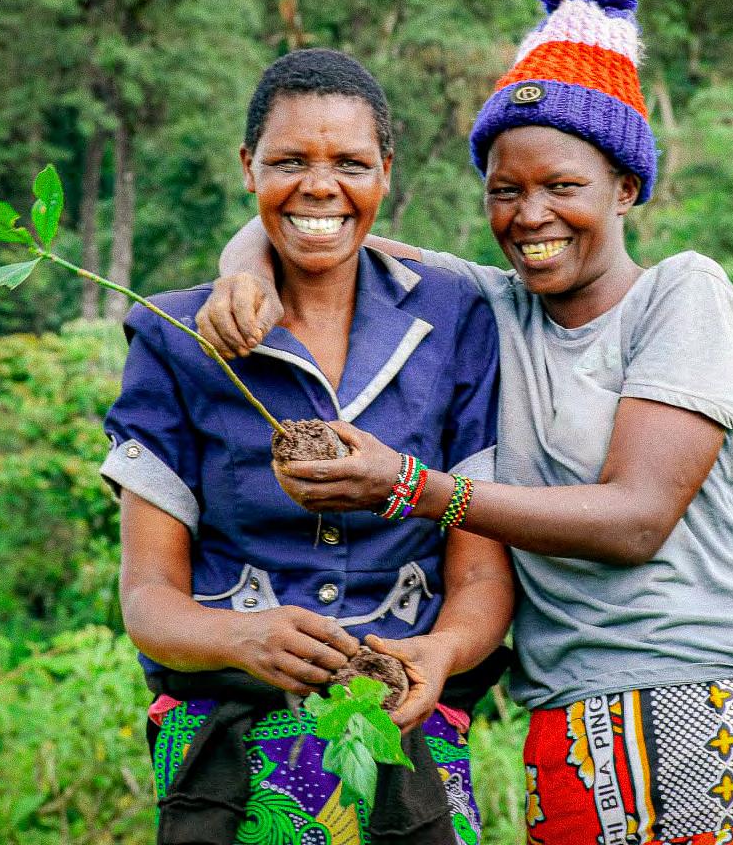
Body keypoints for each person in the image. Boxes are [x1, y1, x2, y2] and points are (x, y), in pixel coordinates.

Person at [197, 0, 733, 844]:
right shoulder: (488, 306)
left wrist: (408, 487)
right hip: (567, 717)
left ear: (625, 188)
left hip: (728, 693)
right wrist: (240, 271)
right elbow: (318, 219)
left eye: (561, 186)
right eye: (505, 190)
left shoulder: (681, 294)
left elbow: (635, 519)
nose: (529, 216)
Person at [100, 48, 513, 845]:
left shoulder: (454, 318)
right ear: (247, 167)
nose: (320, 187)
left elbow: (480, 576)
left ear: (385, 172)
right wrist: (239, 637)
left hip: (406, 732)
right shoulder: (174, 337)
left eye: (350, 163)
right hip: (227, 745)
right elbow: (148, 597)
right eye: (289, 161)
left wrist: (441, 651)